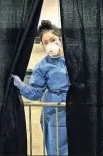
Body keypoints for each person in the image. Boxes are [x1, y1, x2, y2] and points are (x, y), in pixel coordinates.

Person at [12, 20, 70, 155]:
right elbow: (36, 93)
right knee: (55, 147)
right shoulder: (42, 66)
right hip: (54, 110)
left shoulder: (73, 59)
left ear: (60, 39)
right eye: (45, 42)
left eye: (52, 39)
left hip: (74, 106)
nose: (50, 44)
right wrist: (21, 85)